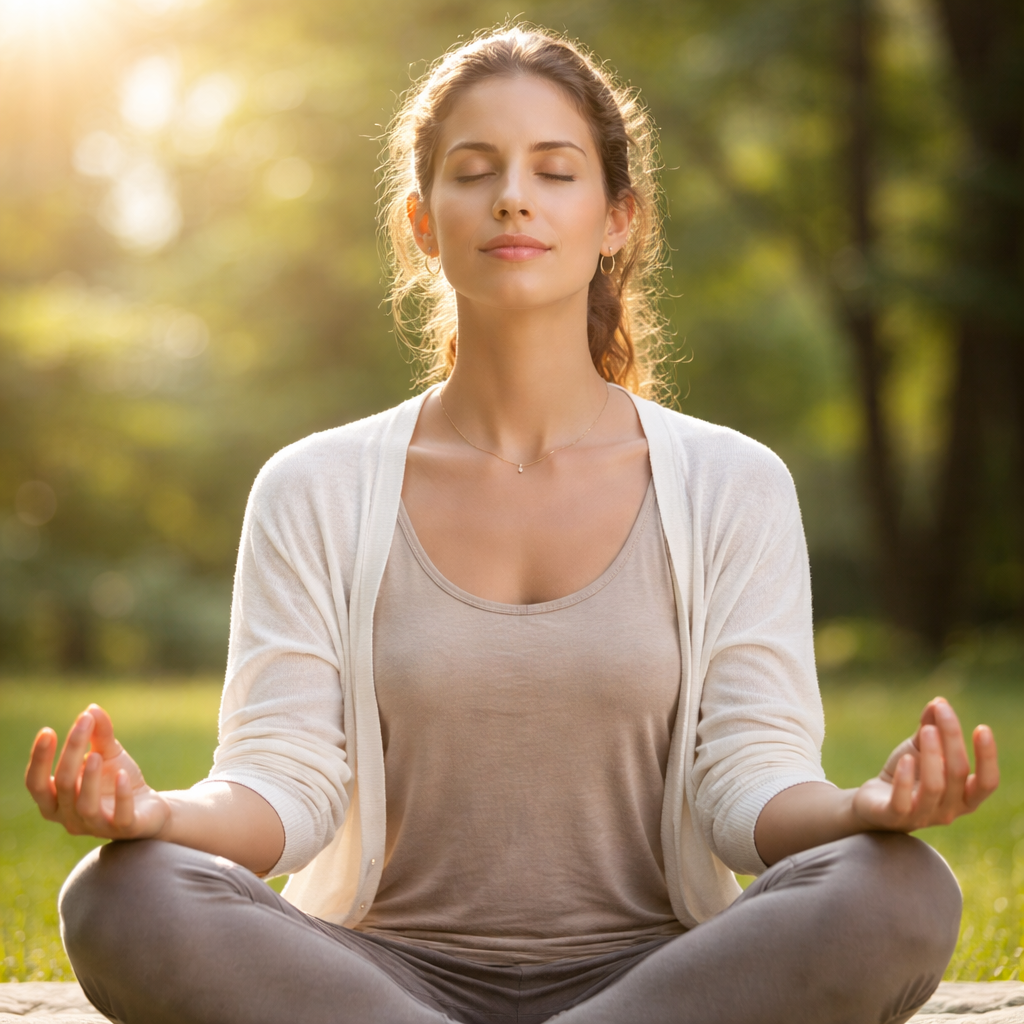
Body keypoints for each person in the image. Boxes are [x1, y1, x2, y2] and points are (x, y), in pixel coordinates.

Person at [26, 26, 998, 1024]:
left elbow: (745, 783)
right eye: (473, 170)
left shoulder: (730, 484)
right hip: (378, 985)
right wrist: (155, 815)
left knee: (899, 886)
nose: (511, 196)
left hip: (658, 985)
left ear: (618, 217)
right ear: (420, 220)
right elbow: (283, 784)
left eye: (556, 170)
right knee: (123, 891)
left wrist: (860, 811)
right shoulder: (312, 487)